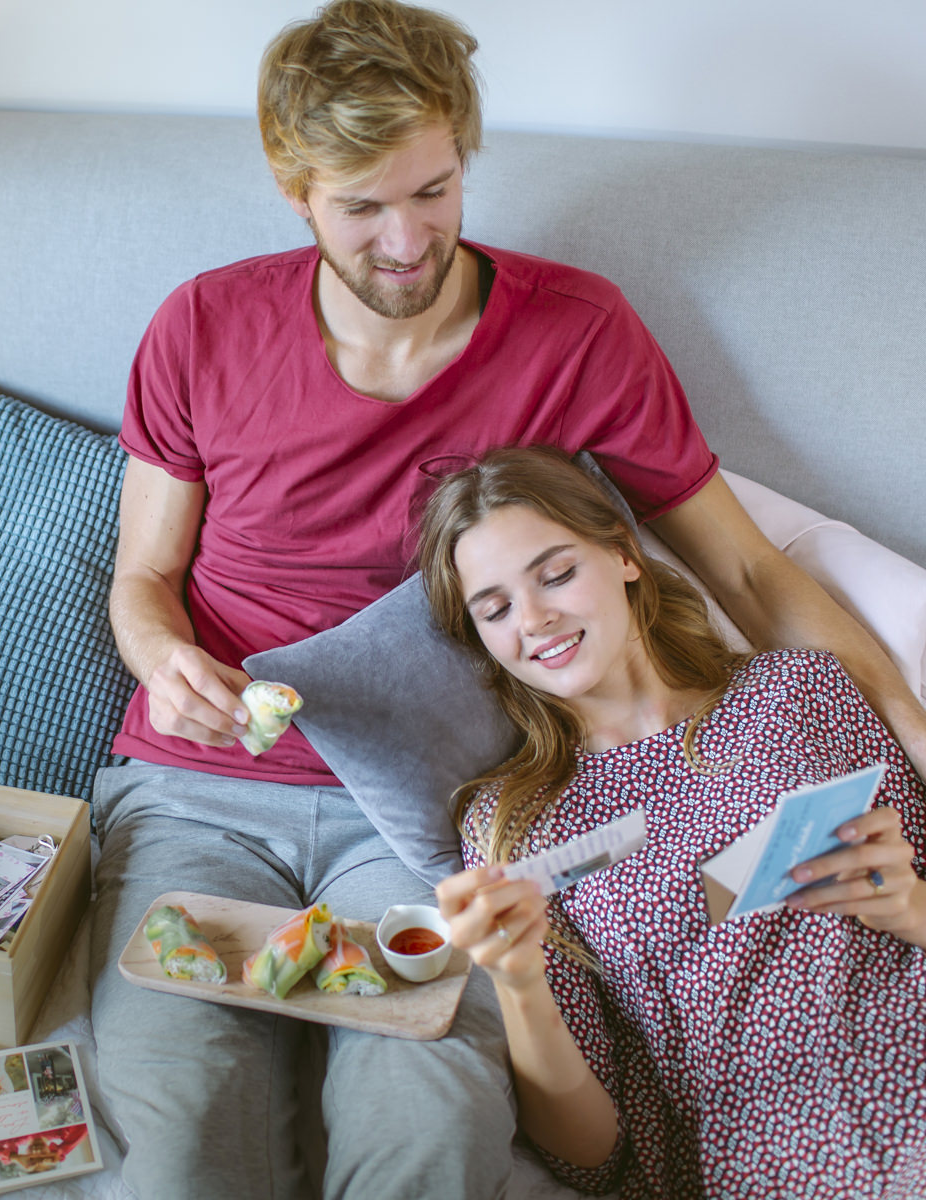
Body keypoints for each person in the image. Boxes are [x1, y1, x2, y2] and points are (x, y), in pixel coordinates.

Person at [89, 2, 926, 1196]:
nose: (404, 242)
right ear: (295, 188)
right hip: (201, 794)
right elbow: (142, 582)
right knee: (177, 1140)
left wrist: (915, 732)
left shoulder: (574, 333)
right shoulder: (201, 327)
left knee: (425, 1126)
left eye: (433, 192)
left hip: (407, 823)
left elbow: (748, 570)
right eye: (361, 206)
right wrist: (164, 661)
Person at [420, 445, 926, 1199]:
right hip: (768, 1151)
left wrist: (911, 906)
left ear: (626, 555)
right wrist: (520, 981)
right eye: (494, 609)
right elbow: (588, 1157)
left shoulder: (798, 691)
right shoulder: (515, 825)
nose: (535, 619)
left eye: (556, 574)